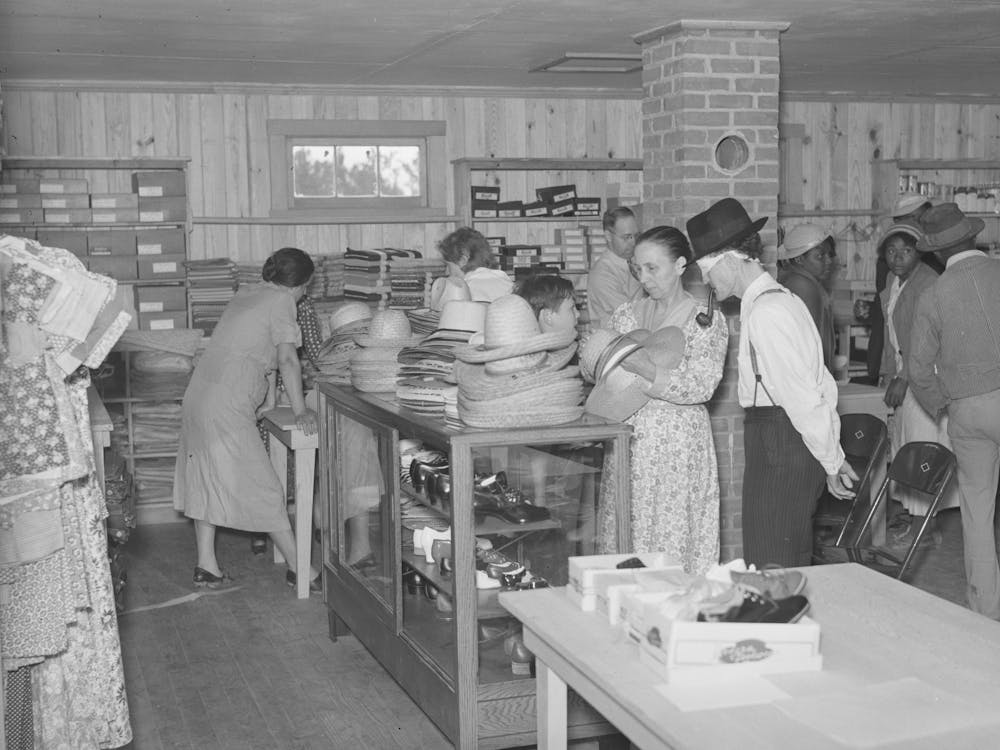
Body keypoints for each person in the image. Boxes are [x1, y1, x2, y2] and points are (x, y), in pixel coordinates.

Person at [687, 199, 857, 568]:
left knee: (773, 561)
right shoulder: (780, 300)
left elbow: (803, 398)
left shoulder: (768, 312)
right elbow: (822, 384)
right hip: (780, 441)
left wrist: (831, 459)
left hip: (781, 441)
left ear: (731, 260)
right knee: (778, 554)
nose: (704, 280)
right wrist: (832, 455)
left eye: (706, 268)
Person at [174, 246, 320, 592]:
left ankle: (206, 566)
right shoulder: (283, 301)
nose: (304, 295)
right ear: (298, 285)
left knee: (204, 479)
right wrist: (301, 411)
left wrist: (267, 401)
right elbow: (286, 358)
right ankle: (302, 570)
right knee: (265, 487)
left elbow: (255, 352)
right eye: (305, 288)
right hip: (225, 403)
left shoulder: (248, 293)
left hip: (199, 395)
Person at [593, 227, 728, 574]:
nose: (644, 277)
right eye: (638, 268)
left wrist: (648, 370)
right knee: (625, 534)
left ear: (681, 264)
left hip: (677, 447)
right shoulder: (626, 315)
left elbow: (703, 385)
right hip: (628, 440)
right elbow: (606, 375)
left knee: (672, 538)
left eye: (653, 268)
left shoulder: (705, 321)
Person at [908, 202, 1000, 619]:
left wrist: (942, 403)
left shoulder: (933, 293)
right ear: (973, 236)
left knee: (977, 510)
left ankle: (984, 610)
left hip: (965, 408)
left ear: (936, 252)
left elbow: (917, 368)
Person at [876, 221, 962, 526]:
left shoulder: (928, 282)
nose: (898, 257)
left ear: (919, 253)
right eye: (891, 250)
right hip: (904, 372)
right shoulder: (893, 280)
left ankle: (925, 525)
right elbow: (893, 335)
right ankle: (914, 518)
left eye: (907, 251)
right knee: (905, 444)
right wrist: (890, 373)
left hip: (926, 376)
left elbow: (925, 339)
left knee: (922, 446)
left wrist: (904, 377)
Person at [250, 292, 325, 555]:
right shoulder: (301, 304)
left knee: (266, 461)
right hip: (289, 391)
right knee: (304, 457)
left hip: (262, 387)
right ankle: (312, 524)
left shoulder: (259, 300)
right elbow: (315, 349)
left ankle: (261, 531)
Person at [777, 223, 836, 373]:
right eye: (820, 256)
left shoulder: (798, 279)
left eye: (829, 254)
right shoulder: (802, 285)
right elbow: (809, 342)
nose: (828, 261)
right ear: (798, 259)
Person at [587, 206, 643, 328]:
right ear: (608, 236)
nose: (633, 242)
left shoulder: (634, 261)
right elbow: (630, 317)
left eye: (635, 236)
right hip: (616, 343)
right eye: (626, 237)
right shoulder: (603, 274)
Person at [429, 226, 512, 310]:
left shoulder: (460, 294)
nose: (446, 272)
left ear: (463, 260)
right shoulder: (508, 283)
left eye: (448, 266)